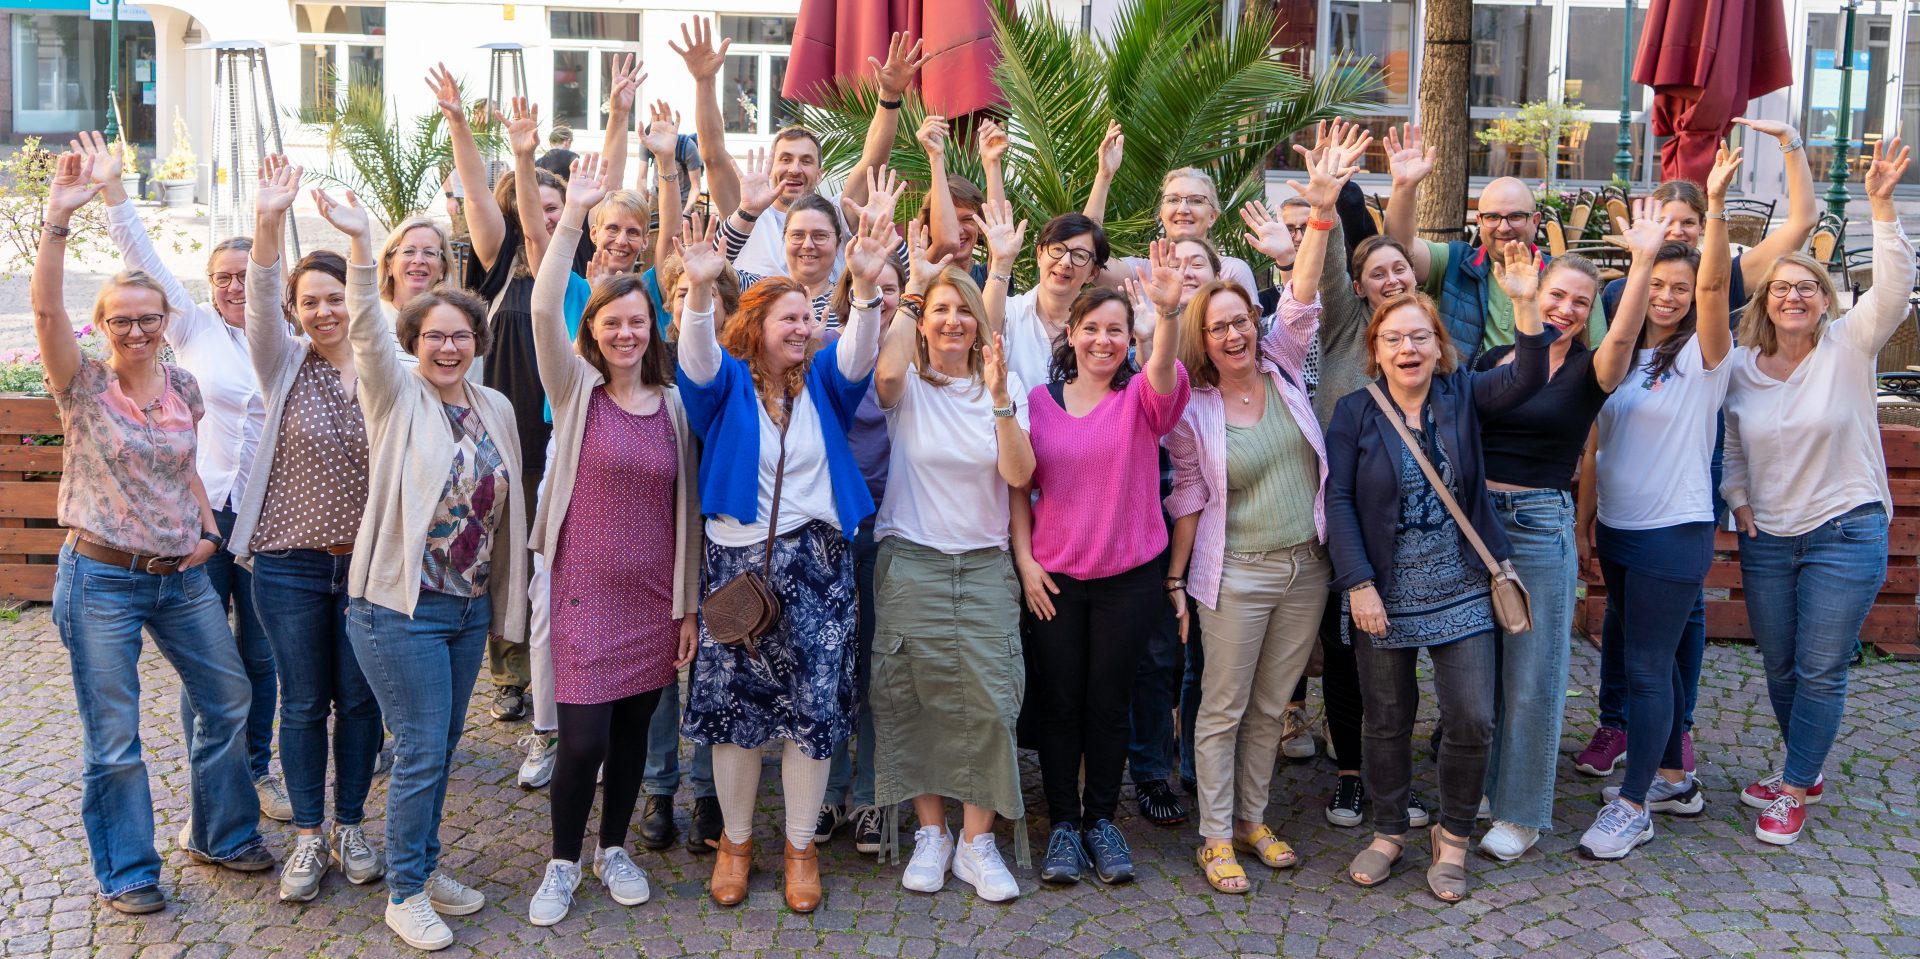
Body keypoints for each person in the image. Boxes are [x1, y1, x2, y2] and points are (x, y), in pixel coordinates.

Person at [36, 150, 272, 916]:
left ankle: (220, 833)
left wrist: (207, 532)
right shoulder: (84, 384)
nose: (137, 329)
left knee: (228, 695)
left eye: (148, 318)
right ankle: (129, 869)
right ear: (103, 326)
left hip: (180, 573)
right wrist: (60, 218)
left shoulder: (184, 384)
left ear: (165, 324)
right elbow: (43, 313)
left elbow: (188, 469)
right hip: (100, 575)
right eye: (123, 319)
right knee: (115, 732)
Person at [1578, 117, 1818, 778]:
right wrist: (1584, 513)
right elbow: (1602, 404)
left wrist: (1776, 154)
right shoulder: (1622, 297)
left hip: (1696, 453)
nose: (1679, 231)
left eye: (1689, 222)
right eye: (1670, 219)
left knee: (1677, 616)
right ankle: (1620, 720)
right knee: (1629, 618)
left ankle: (1670, 740)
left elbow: (1796, 225)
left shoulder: (1725, 282)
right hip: (1632, 467)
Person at [675, 207, 899, 913]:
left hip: (822, 567)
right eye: (791, 319)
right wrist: (698, 290)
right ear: (759, 325)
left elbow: (860, 351)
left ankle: (801, 847)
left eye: (809, 317)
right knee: (737, 711)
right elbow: (696, 358)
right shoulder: (725, 387)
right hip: (741, 567)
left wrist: (862, 288)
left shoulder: (825, 380)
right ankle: (737, 843)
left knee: (813, 710)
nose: (804, 328)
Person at [332, 185, 529, 951]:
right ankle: (405, 891)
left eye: (460, 336)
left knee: (440, 746)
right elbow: (363, 334)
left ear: (476, 341)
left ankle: (424, 861)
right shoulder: (396, 395)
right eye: (434, 336)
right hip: (399, 607)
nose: (447, 347)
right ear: (413, 341)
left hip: (465, 606)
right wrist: (357, 246)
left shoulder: (494, 406)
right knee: (418, 746)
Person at [1325, 245, 1550, 903]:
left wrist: (1525, 302)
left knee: (1473, 716)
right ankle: (1391, 828)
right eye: (1393, 337)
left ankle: (1450, 836)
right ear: (1376, 347)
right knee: (1387, 718)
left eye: (1419, 336)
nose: (1407, 347)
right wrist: (1358, 581)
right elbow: (1337, 498)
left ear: (1438, 344)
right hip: (1383, 593)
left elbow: (1529, 376)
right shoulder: (1355, 412)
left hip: (1461, 586)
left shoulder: (1463, 393)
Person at [1164, 141, 1353, 893]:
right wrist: (1177, 580)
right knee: (1222, 706)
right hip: (1235, 571)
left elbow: (1304, 296)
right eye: (1220, 329)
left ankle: (1252, 817)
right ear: (1203, 340)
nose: (1236, 335)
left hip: (1305, 566)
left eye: (1242, 321)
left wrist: (1320, 213)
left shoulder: (1281, 364)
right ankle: (1214, 835)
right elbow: (1185, 492)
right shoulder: (1194, 407)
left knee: (1273, 705)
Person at [521, 154, 705, 924]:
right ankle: (564, 861)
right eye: (612, 322)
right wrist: (573, 215)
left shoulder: (670, 407)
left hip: (651, 598)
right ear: (592, 329)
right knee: (583, 739)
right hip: (585, 590)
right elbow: (539, 310)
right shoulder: (575, 389)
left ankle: (616, 846)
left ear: (651, 328)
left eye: (638, 322)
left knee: (633, 734)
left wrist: (687, 608)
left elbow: (686, 516)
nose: (626, 332)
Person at [81, 131, 284, 821]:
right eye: (222, 276)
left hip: (270, 514)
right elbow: (142, 259)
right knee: (208, 653)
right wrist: (113, 191)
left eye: (244, 274)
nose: (233, 285)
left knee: (260, 652)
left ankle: (256, 768)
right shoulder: (189, 328)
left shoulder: (287, 338)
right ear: (206, 286)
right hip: (203, 517)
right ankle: (213, 771)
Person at [431, 61, 640, 725]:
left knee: (550, 555)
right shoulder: (497, 264)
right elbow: (481, 194)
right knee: (496, 549)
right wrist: (469, 127)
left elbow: (598, 189)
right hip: (498, 428)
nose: (547, 218)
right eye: (538, 207)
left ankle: (563, 669)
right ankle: (509, 671)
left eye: (556, 209)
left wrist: (616, 116)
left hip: (560, 431)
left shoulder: (578, 269)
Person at [1722, 138, 1913, 845]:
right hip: (1770, 533)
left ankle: (1795, 784)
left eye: (1807, 287)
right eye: (1781, 287)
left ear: (1824, 300)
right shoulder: (1742, 365)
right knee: (1778, 662)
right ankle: (1806, 761)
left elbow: (1892, 290)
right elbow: (1732, 443)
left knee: (1821, 665)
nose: (1794, 295)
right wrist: (1739, 502)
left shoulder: (1850, 347)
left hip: (1845, 528)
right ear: (1766, 302)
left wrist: (1882, 207)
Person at [1469, 200, 1668, 862]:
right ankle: (1482, 789)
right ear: (1534, 288)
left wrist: (1641, 264)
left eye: (1581, 302)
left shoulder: (1594, 370)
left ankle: (1522, 812)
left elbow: (1626, 330)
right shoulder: (1499, 353)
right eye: (1559, 293)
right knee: (1477, 673)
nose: (1567, 308)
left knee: (1532, 673)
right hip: (1476, 527)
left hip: (1537, 526)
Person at [1574, 143, 1741, 862]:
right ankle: (1676, 776)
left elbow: (1711, 294)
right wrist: (1587, 517)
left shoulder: (1708, 357)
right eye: (1657, 285)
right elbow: (1596, 445)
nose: (1670, 296)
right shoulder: (1619, 353)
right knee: (1663, 663)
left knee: (1644, 665)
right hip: (1619, 529)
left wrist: (1720, 209)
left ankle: (1635, 803)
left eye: (1681, 285)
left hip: (1675, 531)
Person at [227, 156, 384, 902]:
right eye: (309, 301)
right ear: (295, 312)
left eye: (334, 298)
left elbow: (368, 306)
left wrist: (359, 243)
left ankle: (352, 822)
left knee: (359, 701)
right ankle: (310, 835)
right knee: (301, 700)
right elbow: (258, 299)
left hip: (365, 567)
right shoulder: (282, 365)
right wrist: (266, 222)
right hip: (288, 563)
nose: (323, 310)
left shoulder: (389, 369)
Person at [869, 220, 1035, 899]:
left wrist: (999, 397)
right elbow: (881, 377)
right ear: (923, 320)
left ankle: (977, 841)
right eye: (941, 310)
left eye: (963, 308)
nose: (953, 320)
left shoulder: (1005, 382)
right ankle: (930, 833)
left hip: (985, 564)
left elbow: (1019, 473)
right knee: (913, 697)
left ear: (979, 318)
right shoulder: (908, 382)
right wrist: (913, 289)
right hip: (912, 559)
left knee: (993, 702)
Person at [1017, 242, 1191, 887]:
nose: (1102, 340)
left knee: (1110, 702)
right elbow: (1017, 488)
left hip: (1129, 577)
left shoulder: (1142, 396)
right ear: (1071, 333)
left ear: (1128, 338)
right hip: (1056, 580)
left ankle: (1101, 820)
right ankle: (1063, 823)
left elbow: (1166, 375)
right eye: (1091, 329)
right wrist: (1026, 564)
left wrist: (1166, 317)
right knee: (1061, 702)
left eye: (1115, 330)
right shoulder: (1037, 401)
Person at [1292, 120, 1430, 833]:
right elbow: (1323, 275)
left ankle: (1393, 773)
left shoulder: (1431, 339)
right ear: (1356, 283)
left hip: (1417, 529)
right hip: (1344, 517)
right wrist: (1330, 196)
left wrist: (1404, 188)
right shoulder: (1344, 325)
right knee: (1347, 650)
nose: (1390, 278)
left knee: (1399, 656)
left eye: (1398, 270)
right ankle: (1352, 776)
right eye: (1375, 271)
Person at [677, 17, 920, 281]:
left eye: (806, 161)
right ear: (771, 168)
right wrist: (704, 81)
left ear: (820, 174)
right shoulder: (747, 212)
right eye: (785, 159)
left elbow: (872, 161)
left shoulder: (837, 214)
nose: (794, 169)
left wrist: (890, 96)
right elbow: (712, 155)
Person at [818, 254, 908, 854]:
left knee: (878, 667)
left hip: (892, 527)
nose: (884, 296)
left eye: (895, 288)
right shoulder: (828, 348)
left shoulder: (916, 357)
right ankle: (826, 791)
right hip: (828, 525)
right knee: (827, 668)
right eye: (871, 287)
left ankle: (873, 795)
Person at [1384, 125, 1606, 361]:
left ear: (1536, 220)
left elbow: (1600, 360)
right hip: (1465, 393)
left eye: (1515, 216)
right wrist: (1404, 188)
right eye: (1492, 217)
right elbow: (1398, 251)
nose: (1503, 227)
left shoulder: (1566, 281)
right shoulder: (1455, 262)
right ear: (1479, 221)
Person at [1083, 136, 1261, 297]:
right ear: (1161, 213)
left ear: (1213, 216)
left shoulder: (1232, 271)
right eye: (1173, 200)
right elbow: (1085, 258)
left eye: (1196, 201)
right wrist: (1104, 177)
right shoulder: (1142, 272)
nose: (1183, 209)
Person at [989, 210, 1109, 389]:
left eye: (1079, 255)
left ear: (1093, 273)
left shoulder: (1102, 329)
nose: (1065, 262)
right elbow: (982, 336)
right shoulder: (1009, 311)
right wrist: (1001, 263)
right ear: (1039, 255)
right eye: (1057, 249)